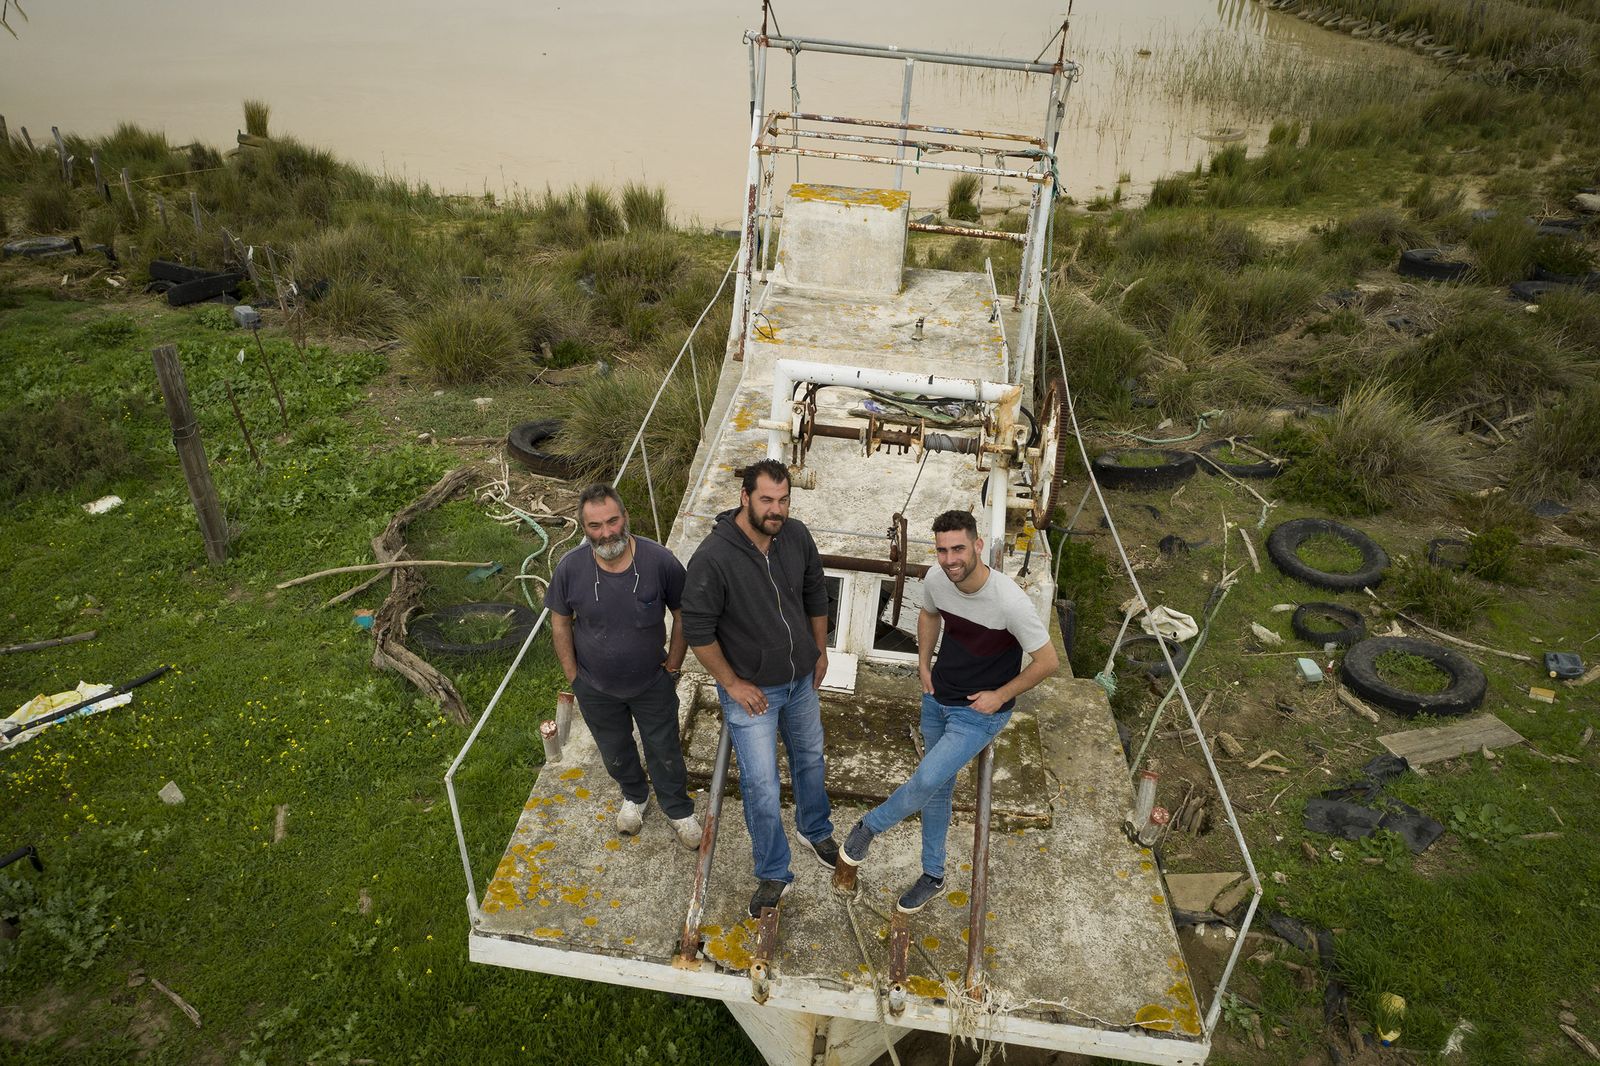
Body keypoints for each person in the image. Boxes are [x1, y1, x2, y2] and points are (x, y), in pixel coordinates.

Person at [838, 508, 1058, 913]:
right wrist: (923, 664)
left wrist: (1000, 695)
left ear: (977, 546)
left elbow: (1048, 662)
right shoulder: (939, 578)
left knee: (926, 779)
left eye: (958, 548)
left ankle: (867, 829)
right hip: (938, 695)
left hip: (979, 713)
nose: (950, 558)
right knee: (937, 791)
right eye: (942, 550)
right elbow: (928, 614)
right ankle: (934, 875)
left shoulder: (1010, 601)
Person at [681, 459, 840, 917]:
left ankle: (815, 829)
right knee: (763, 786)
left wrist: (819, 650)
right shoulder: (714, 557)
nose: (776, 509)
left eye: (783, 499)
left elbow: (815, 594)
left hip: (801, 682)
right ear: (744, 498)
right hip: (754, 694)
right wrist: (731, 682)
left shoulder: (796, 536)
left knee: (811, 758)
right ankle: (773, 872)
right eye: (767, 499)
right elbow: (697, 629)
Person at [547, 483, 701, 850]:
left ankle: (678, 810)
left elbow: (684, 615)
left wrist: (673, 668)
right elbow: (559, 622)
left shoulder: (660, 561)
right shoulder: (570, 568)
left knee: (664, 749)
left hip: (653, 682)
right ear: (584, 527)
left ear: (625, 517)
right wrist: (574, 677)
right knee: (614, 750)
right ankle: (634, 796)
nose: (606, 532)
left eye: (612, 521)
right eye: (595, 526)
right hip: (596, 688)